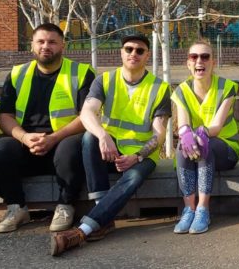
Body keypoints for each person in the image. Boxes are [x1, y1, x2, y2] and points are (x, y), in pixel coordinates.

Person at [50, 35, 169, 256]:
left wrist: (138, 156)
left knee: (132, 177)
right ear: (121, 52)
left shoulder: (160, 88)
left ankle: (84, 229)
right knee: (89, 137)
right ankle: (101, 214)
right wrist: (102, 135)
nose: (133, 53)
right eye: (129, 49)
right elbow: (87, 112)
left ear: (147, 55)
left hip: (141, 154)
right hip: (111, 148)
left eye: (140, 51)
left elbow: (159, 132)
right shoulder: (105, 80)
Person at [0, 23, 95, 234]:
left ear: (63, 45)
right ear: (32, 46)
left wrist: (53, 138)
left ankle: (65, 205)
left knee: (72, 147)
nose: (46, 46)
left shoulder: (81, 73)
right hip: (27, 143)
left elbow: (87, 116)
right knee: (0, 149)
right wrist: (25, 137)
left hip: (62, 141)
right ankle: (16, 207)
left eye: (52, 42)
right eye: (41, 41)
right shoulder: (17, 73)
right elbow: (5, 116)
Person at [171, 40, 239, 234]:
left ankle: (203, 209)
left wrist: (200, 133)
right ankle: (189, 209)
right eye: (194, 57)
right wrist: (186, 134)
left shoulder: (227, 87)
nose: (199, 61)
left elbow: (217, 127)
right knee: (182, 146)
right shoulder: (181, 90)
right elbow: (183, 124)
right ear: (188, 63)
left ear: (213, 62)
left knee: (203, 142)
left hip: (226, 149)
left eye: (205, 57)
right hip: (197, 148)